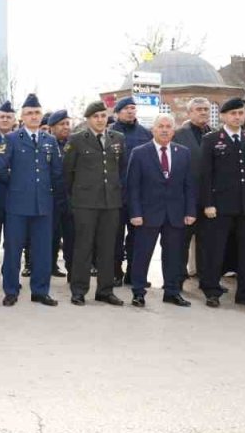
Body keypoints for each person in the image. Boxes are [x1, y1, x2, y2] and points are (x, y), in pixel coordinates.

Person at [196, 98, 245, 308]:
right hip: (220, 205)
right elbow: (205, 175)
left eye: (241, 113)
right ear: (223, 116)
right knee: (216, 249)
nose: (237, 117)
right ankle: (211, 290)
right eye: (233, 113)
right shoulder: (211, 139)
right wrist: (208, 203)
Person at [0, 94, 62, 307]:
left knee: (43, 250)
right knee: (13, 249)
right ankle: (11, 291)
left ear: (41, 116)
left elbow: (56, 171)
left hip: (43, 204)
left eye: (37, 113)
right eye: (29, 113)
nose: (34, 116)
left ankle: (40, 291)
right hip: (17, 204)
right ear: (22, 117)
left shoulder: (49, 140)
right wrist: (17, 184)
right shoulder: (12, 139)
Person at [124, 114, 195, 306]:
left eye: (168, 127)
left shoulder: (183, 152)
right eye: (160, 126)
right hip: (147, 215)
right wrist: (135, 213)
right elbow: (133, 187)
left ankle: (171, 291)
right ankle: (138, 292)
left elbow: (189, 185)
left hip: (175, 214)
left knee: (173, 255)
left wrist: (190, 211)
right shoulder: (140, 152)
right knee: (142, 254)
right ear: (153, 130)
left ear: (174, 130)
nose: (164, 130)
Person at [64, 100, 126, 306]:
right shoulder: (77, 140)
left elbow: (121, 170)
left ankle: (105, 290)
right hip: (85, 204)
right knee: (83, 247)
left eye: (103, 116)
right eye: (95, 117)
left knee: (108, 248)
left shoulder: (118, 138)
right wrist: (74, 200)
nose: (100, 120)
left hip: (111, 203)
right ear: (88, 119)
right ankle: (79, 290)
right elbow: (68, 173)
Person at [110, 97, 152, 286]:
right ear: (117, 112)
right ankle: (115, 272)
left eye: (133, 108)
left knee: (137, 237)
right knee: (114, 237)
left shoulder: (145, 133)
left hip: (139, 195)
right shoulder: (109, 133)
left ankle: (134, 275)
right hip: (115, 194)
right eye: (126, 108)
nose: (130, 111)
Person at [175, 98, 212, 279]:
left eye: (206, 109)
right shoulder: (178, 134)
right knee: (182, 240)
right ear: (189, 113)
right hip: (184, 198)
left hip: (209, 199)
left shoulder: (214, 134)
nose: (203, 112)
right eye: (199, 109)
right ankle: (178, 278)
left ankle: (205, 277)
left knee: (206, 242)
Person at [0, 99, 17, 281]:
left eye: (9, 117)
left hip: (15, 197)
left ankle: (10, 276)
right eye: (2, 117)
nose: (5, 120)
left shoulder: (19, 139)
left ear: (14, 119)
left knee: (13, 241)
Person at [47, 109, 74, 278]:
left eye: (67, 124)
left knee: (72, 237)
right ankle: (50, 266)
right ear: (52, 127)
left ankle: (72, 269)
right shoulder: (47, 144)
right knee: (51, 236)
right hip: (51, 198)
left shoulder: (73, 144)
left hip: (70, 198)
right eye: (61, 124)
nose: (65, 127)